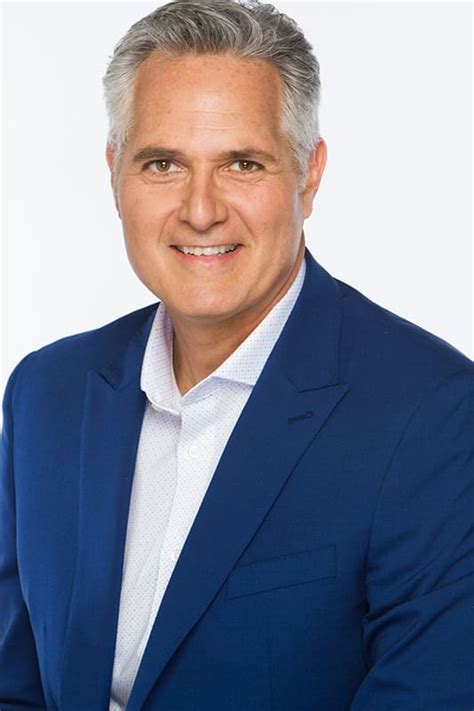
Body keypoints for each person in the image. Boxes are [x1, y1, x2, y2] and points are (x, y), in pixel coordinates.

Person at [1, 0, 472, 708]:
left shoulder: (436, 416)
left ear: (309, 175)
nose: (200, 210)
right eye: (163, 163)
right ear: (115, 173)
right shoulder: (47, 393)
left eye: (243, 164)